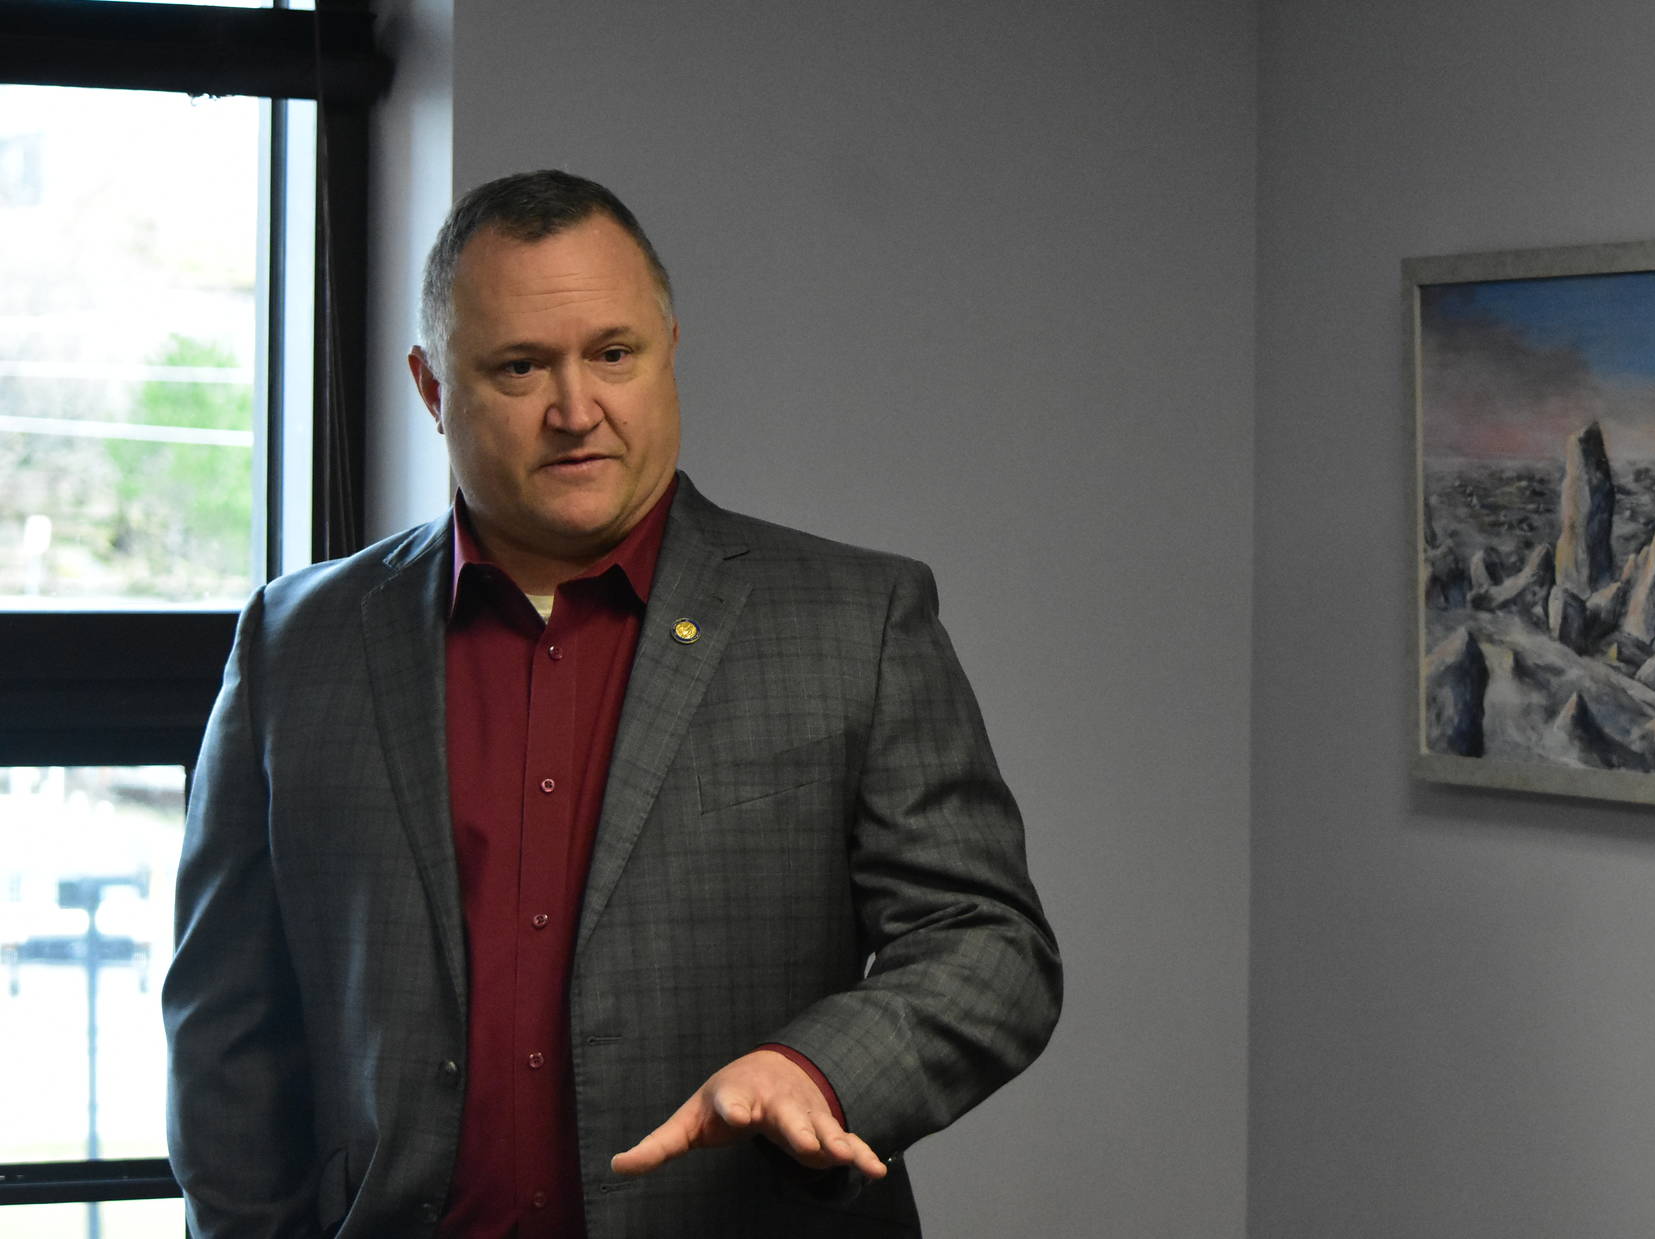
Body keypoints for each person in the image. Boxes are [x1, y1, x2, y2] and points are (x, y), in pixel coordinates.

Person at [163, 170, 1061, 1237]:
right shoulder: (295, 642)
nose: (575, 409)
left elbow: (988, 944)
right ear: (430, 385)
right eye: (519, 366)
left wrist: (817, 1066)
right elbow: (228, 1028)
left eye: (613, 354)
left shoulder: (854, 621)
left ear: (668, 348)